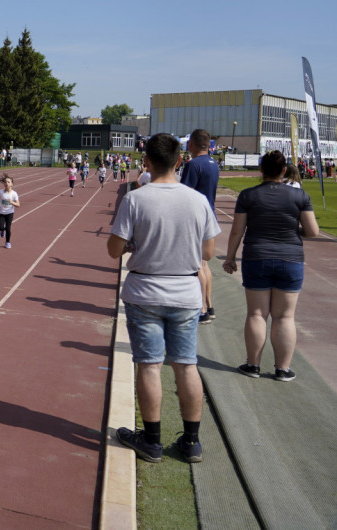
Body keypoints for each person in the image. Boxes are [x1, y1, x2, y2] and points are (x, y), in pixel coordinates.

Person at [108, 133, 220, 464]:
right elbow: (209, 253)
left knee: (149, 364)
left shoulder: (136, 199)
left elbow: (114, 249)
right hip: (185, 292)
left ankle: (152, 440)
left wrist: (133, 245)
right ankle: (191, 441)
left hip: (145, 291)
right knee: (186, 365)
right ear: (180, 160)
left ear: (146, 162)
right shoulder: (197, 200)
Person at [222, 150, 318, 382]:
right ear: (284, 170)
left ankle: (253, 365)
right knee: (285, 317)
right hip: (291, 259)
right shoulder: (300, 196)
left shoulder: (247, 196)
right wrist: (291, 230)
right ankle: (282, 369)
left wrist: (230, 257)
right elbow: (313, 231)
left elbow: (237, 230)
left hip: (257, 257)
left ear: (261, 170)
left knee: (256, 313)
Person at [180, 129, 220, 324]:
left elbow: (185, 194)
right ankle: (209, 305)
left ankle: (202, 308)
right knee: (204, 264)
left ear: (192, 144)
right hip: (210, 215)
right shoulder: (214, 164)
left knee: (197, 266)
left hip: (196, 218)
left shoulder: (193, 165)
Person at [0, 174, 20, 249]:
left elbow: (18, 204)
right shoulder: (0, 192)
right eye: (5, 182)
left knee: (8, 228)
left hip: (10, 213)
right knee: (0, 227)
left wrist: (11, 202)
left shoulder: (14, 194)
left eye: (8, 182)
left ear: (12, 184)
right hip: (2, 213)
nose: (6, 183)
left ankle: (7, 242)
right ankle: (2, 230)